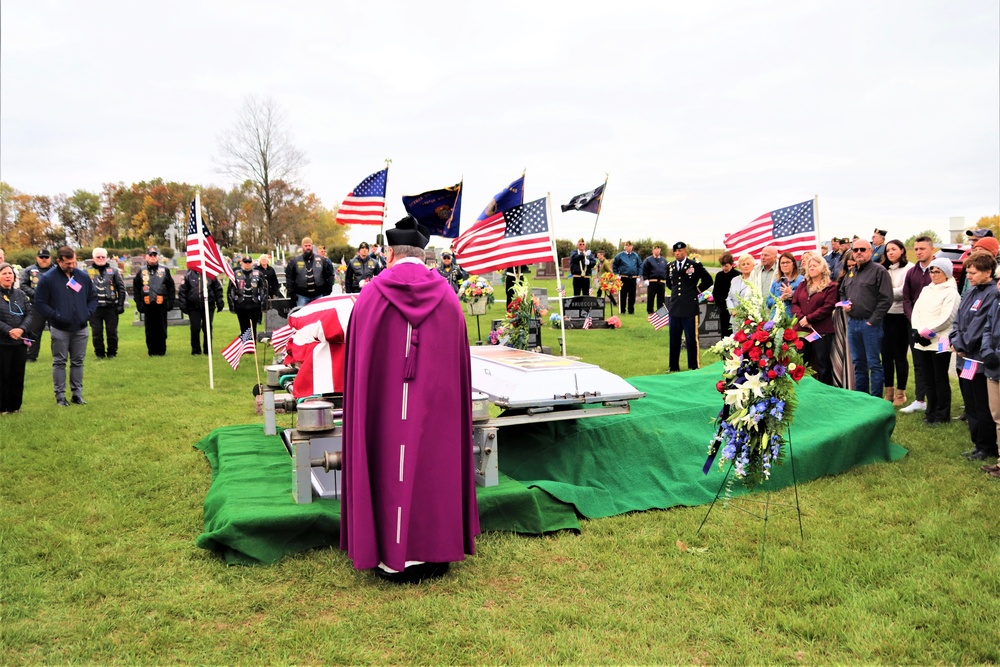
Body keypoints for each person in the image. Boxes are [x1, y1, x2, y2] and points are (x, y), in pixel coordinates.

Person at [340, 215, 479, 583]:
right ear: (424, 254)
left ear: (389, 254)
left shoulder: (369, 296)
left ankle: (387, 554)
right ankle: (433, 552)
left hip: (384, 411)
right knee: (436, 462)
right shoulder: (448, 298)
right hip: (436, 409)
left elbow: (358, 364)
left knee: (388, 458)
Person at [32, 247, 97, 406]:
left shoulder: (82, 276)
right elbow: (39, 303)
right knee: (60, 362)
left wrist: (87, 313)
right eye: (68, 263)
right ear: (59, 261)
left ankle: (77, 394)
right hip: (60, 329)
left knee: (78, 361)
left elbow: (92, 297)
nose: (71, 265)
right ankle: (60, 396)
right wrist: (55, 315)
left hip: (80, 327)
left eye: (73, 262)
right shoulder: (48, 279)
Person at [950, 252, 1000, 461]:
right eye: (967, 272)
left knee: (981, 404)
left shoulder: (992, 294)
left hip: (979, 359)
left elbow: (980, 326)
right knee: (970, 401)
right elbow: (958, 319)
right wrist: (954, 340)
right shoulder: (970, 292)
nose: (968, 276)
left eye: (973, 273)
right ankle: (977, 443)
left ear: (988, 272)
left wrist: (962, 344)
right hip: (965, 359)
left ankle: (986, 446)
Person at [910, 258, 960, 425]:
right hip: (922, 339)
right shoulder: (926, 290)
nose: (933, 274)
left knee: (940, 378)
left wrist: (928, 331)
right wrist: (919, 330)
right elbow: (916, 310)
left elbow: (947, 318)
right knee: (928, 378)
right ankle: (930, 412)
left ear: (946, 273)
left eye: (937, 271)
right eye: (931, 271)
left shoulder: (951, 292)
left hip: (940, 340)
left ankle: (942, 414)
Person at [840, 240, 892, 397]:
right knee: (858, 363)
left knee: (874, 363)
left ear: (870, 251)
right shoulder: (851, 272)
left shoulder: (879, 271)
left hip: (870, 324)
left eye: (862, 249)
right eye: (855, 249)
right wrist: (845, 305)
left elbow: (886, 299)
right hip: (853, 323)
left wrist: (872, 321)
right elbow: (842, 292)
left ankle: (875, 399)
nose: (858, 252)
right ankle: (861, 398)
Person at [900, 235, 937, 413]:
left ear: (932, 249)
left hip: (936, 326)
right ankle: (920, 399)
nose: (918, 252)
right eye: (916, 249)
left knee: (936, 364)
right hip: (914, 324)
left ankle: (935, 400)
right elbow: (906, 298)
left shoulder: (939, 270)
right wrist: (913, 319)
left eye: (922, 248)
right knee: (919, 362)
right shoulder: (912, 272)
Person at [665, 242, 712, 372]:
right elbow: (670, 284)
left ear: (685, 251)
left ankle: (693, 366)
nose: (677, 253)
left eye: (680, 251)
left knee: (691, 339)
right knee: (674, 339)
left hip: (689, 308)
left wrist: (695, 291)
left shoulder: (694, 265)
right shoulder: (670, 266)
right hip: (675, 308)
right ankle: (673, 366)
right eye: (675, 251)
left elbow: (708, 280)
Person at [792, 255, 839, 385]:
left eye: (815, 265)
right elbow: (795, 303)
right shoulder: (802, 285)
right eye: (810, 266)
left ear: (823, 268)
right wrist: (801, 317)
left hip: (820, 330)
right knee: (801, 361)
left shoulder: (831, 287)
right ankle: (803, 389)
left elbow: (828, 306)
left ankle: (825, 390)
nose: (812, 268)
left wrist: (809, 318)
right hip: (801, 330)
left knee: (822, 361)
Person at [879, 240, 912, 406]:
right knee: (886, 355)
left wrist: (883, 293)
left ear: (902, 250)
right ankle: (889, 391)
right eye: (887, 250)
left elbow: (903, 292)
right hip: (885, 315)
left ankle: (901, 393)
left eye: (893, 249)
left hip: (900, 316)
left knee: (899, 355)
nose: (890, 252)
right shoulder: (883, 268)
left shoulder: (909, 268)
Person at [0, 262, 31, 414]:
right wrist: (8, 330)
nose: (7, 276)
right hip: (2, 342)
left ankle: (15, 406)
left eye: (10, 273)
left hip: (19, 343)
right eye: (4, 273)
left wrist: (21, 329)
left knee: (18, 375)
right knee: (3, 375)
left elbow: (30, 314)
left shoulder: (21, 295)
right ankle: (3, 407)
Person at [133, 246, 175, 356]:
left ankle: (161, 350)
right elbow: (136, 288)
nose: (152, 257)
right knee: (150, 329)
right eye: (150, 255)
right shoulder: (141, 271)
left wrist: (170, 302)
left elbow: (171, 287)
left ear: (157, 257)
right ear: (146, 256)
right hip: (148, 304)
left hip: (161, 304)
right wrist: (138, 303)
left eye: (154, 255)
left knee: (161, 328)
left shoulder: (164, 270)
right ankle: (151, 351)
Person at [86, 247, 126, 359]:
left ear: (106, 257)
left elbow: (121, 288)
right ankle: (99, 353)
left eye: (103, 257)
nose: (100, 259)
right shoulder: (86, 272)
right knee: (96, 332)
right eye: (98, 257)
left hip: (111, 307)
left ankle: (112, 352)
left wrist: (120, 304)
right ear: (93, 258)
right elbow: (78, 288)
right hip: (94, 308)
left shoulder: (113, 271)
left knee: (112, 332)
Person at [978, 280, 1000, 478]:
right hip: (993, 367)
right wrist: (987, 351)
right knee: (997, 416)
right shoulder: (997, 302)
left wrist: (997, 354)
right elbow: (987, 330)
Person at [178, 269, 224, 355]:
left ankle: (208, 350)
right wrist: (183, 304)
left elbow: (218, 289)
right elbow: (183, 290)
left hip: (208, 306)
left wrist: (219, 302)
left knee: (207, 327)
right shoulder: (189, 275)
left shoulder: (211, 275)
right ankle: (196, 350)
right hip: (193, 307)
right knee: (195, 328)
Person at [19, 248, 52, 362]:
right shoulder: (29, 270)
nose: (44, 259)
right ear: (36, 258)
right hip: (36, 305)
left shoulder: (57, 269)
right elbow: (23, 285)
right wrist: (35, 295)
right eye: (41, 257)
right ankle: (31, 356)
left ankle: (59, 354)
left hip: (54, 306)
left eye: (46, 257)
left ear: (50, 258)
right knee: (33, 331)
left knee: (57, 331)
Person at [285, 237, 334, 307]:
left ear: (312, 246)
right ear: (302, 247)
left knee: (319, 316)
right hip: (301, 295)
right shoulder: (294, 261)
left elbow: (330, 275)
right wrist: (292, 293)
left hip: (319, 294)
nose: (308, 248)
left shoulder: (322, 260)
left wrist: (328, 291)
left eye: (309, 245)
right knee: (302, 316)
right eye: (306, 246)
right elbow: (289, 278)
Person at [831, 250, 856, 390]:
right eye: (849, 264)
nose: (851, 267)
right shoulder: (842, 278)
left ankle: (852, 384)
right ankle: (840, 382)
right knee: (840, 351)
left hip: (856, 318)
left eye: (854, 264)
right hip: (841, 318)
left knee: (852, 354)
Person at [228, 256, 266, 338]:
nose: (247, 264)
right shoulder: (236, 274)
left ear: (252, 263)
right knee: (243, 326)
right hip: (241, 304)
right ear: (242, 263)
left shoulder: (258, 274)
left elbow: (263, 289)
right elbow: (231, 290)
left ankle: (252, 345)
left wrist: (262, 302)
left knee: (253, 327)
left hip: (254, 304)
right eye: (245, 262)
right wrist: (232, 304)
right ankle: (245, 345)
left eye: (249, 262)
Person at [765, 252, 803, 319]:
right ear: (779, 266)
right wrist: (780, 298)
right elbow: (768, 302)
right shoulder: (776, 282)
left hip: (793, 319)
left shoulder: (801, 280)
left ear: (793, 264)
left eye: (788, 262)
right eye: (782, 263)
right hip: (776, 319)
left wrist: (792, 294)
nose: (785, 265)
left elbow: (805, 299)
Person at [612, 241, 641, 315]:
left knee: (632, 295)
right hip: (623, 277)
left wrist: (639, 276)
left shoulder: (635, 256)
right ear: (625, 247)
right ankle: (622, 310)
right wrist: (616, 274)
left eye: (630, 246)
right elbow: (615, 265)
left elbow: (640, 265)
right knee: (623, 294)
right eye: (627, 246)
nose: (629, 247)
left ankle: (631, 310)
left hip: (633, 278)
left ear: (632, 247)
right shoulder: (620, 255)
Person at [712, 253, 737, 336]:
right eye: (722, 266)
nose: (724, 268)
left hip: (735, 308)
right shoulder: (719, 275)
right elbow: (715, 292)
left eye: (726, 266)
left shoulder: (737, 275)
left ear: (731, 264)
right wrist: (719, 305)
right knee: (724, 331)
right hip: (723, 308)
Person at [642, 244, 668, 314]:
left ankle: (661, 313)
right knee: (651, 297)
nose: (657, 250)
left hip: (661, 281)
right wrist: (645, 279)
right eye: (655, 249)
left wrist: (666, 279)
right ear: (653, 250)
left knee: (661, 298)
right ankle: (650, 311)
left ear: (660, 250)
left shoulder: (664, 260)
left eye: (658, 249)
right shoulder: (648, 260)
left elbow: (667, 270)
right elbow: (644, 269)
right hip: (652, 281)